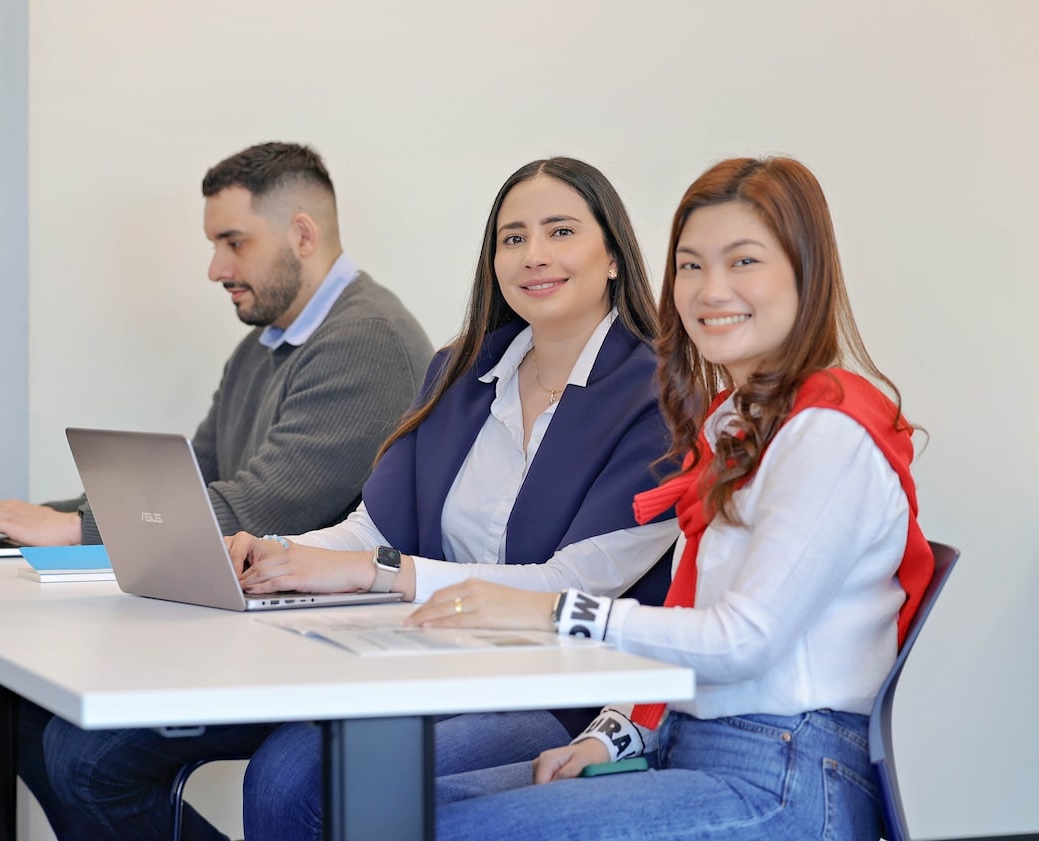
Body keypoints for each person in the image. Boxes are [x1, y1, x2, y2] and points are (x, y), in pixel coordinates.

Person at [42, 156, 681, 840]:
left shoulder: (660, 396)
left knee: (295, 781)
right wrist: (281, 552)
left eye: (559, 232)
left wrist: (382, 572)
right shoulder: (461, 370)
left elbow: (571, 586)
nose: (533, 256)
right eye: (512, 237)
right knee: (121, 752)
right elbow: (370, 526)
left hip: (554, 689)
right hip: (422, 650)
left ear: (612, 254)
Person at [399, 156, 936, 841]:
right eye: (689, 266)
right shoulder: (736, 423)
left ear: (806, 270)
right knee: (400, 810)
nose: (710, 290)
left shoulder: (826, 431)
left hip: (784, 778)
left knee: (432, 828)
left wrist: (550, 611)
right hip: (689, 744)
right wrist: (611, 737)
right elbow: (692, 619)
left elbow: (739, 640)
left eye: (743, 262)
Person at [1, 141, 435, 840]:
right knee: (16, 706)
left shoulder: (368, 341)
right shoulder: (264, 346)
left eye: (233, 242)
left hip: (309, 647)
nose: (215, 268)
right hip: (245, 627)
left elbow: (256, 506)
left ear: (301, 233)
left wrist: (76, 530)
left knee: (87, 756)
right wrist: (53, 516)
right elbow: (192, 482)